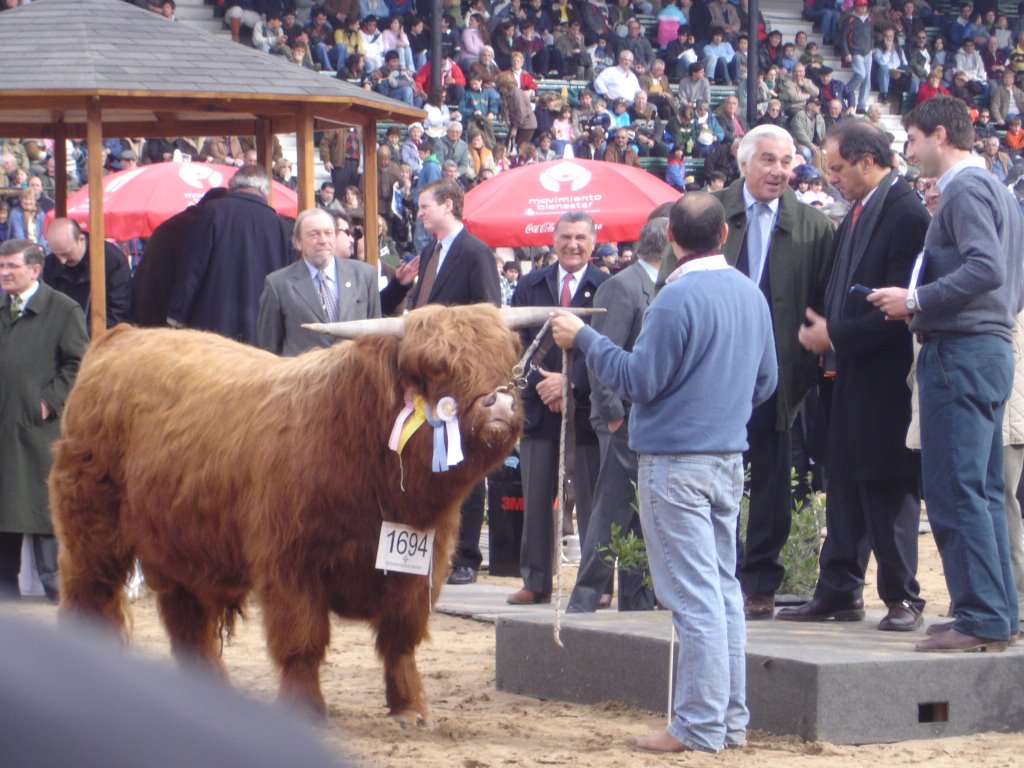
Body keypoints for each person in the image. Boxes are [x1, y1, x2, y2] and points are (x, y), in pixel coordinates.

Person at [549, 193, 777, 753]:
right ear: (724, 236)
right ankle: (727, 721)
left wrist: (584, 339)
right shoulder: (750, 293)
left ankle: (699, 725)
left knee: (698, 598)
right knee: (722, 592)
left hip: (676, 462)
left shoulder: (675, 298)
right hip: (726, 457)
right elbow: (766, 382)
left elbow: (639, 380)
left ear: (670, 238)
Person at [658, 125, 834, 620]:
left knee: (773, 482)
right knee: (709, 478)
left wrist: (802, 367)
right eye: (769, 161)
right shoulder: (706, 213)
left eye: (787, 162)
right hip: (712, 379)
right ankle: (714, 576)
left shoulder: (814, 227)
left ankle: (760, 582)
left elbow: (821, 304)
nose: (779, 171)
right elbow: (667, 287)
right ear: (744, 160)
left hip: (781, 377)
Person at [870, 96, 1024, 652]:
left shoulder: (963, 189)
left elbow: (984, 267)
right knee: (979, 489)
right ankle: (995, 613)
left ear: (939, 134)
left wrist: (916, 298)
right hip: (986, 347)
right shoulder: (998, 191)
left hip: (960, 351)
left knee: (956, 489)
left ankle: (982, 616)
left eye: (911, 140)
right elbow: (1005, 275)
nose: (908, 152)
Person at [778, 121, 930, 631]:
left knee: (886, 489)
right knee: (842, 483)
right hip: (845, 376)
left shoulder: (906, 213)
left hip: (884, 379)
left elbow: (899, 309)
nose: (833, 179)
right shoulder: (858, 212)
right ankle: (839, 588)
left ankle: (903, 596)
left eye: (839, 168)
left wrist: (834, 333)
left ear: (868, 161)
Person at [567, 217, 667, 614]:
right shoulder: (622, 286)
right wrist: (612, 416)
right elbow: (600, 354)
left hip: (647, 421)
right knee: (612, 512)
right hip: (622, 419)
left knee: (641, 515)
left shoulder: (662, 286)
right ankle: (586, 597)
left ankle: (638, 600)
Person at [507, 211, 607, 605]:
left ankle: (594, 584)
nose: (573, 244)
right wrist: (546, 384)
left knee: (591, 497)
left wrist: (571, 383)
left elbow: (609, 342)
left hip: (586, 407)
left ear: (593, 243)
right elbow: (515, 344)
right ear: (554, 241)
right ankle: (536, 581)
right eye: (566, 237)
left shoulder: (607, 287)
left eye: (581, 237)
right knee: (535, 495)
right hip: (538, 407)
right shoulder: (530, 286)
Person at [407, 179, 501, 586]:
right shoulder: (429, 253)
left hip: (460, 378)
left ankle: (465, 556)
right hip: (427, 377)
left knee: (463, 460)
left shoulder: (475, 252)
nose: (419, 213)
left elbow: (488, 314)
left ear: (448, 205)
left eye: (425, 206)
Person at [0, 239, 89, 601]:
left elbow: (79, 362)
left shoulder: (62, 309)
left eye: (12, 267)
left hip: (38, 430)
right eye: (1, 267)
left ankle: (58, 589)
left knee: (42, 508)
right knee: (4, 507)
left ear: (35, 270)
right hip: (4, 426)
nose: (4, 273)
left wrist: (48, 402)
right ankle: (5, 589)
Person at [166, 165, 292, 345]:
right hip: (262, 334)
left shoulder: (213, 211)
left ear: (232, 186)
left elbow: (193, 268)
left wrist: (177, 315)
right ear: (265, 191)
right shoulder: (281, 227)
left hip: (213, 328)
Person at [256, 209, 381, 357]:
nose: (322, 240)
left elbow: (377, 338)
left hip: (355, 375)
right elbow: (269, 350)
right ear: (297, 242)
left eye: (328, 233)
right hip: (304, 377)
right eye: (313, 234)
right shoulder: (278, 284)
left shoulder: (364, 275)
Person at [43, 218, 132, 331]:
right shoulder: (50, 264)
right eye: (56, 254)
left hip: (101, 338)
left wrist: (81, 334)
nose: (62, 261)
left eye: (66, 253)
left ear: (81, 240)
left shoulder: (112, 261)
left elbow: (119, 311)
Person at [839, 0, 875, 113]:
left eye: (865, 6)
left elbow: (872, 36)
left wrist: (871, 47)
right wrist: (846, 53)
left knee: (867, 80)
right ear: (856, 7)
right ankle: (843, 91)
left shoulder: (869, 20)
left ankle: (861, 105)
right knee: (861, 74)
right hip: (855, 51)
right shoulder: (851, 19)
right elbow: (843, 38)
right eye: (861, 6)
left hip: (868, 52)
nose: (863, 9)